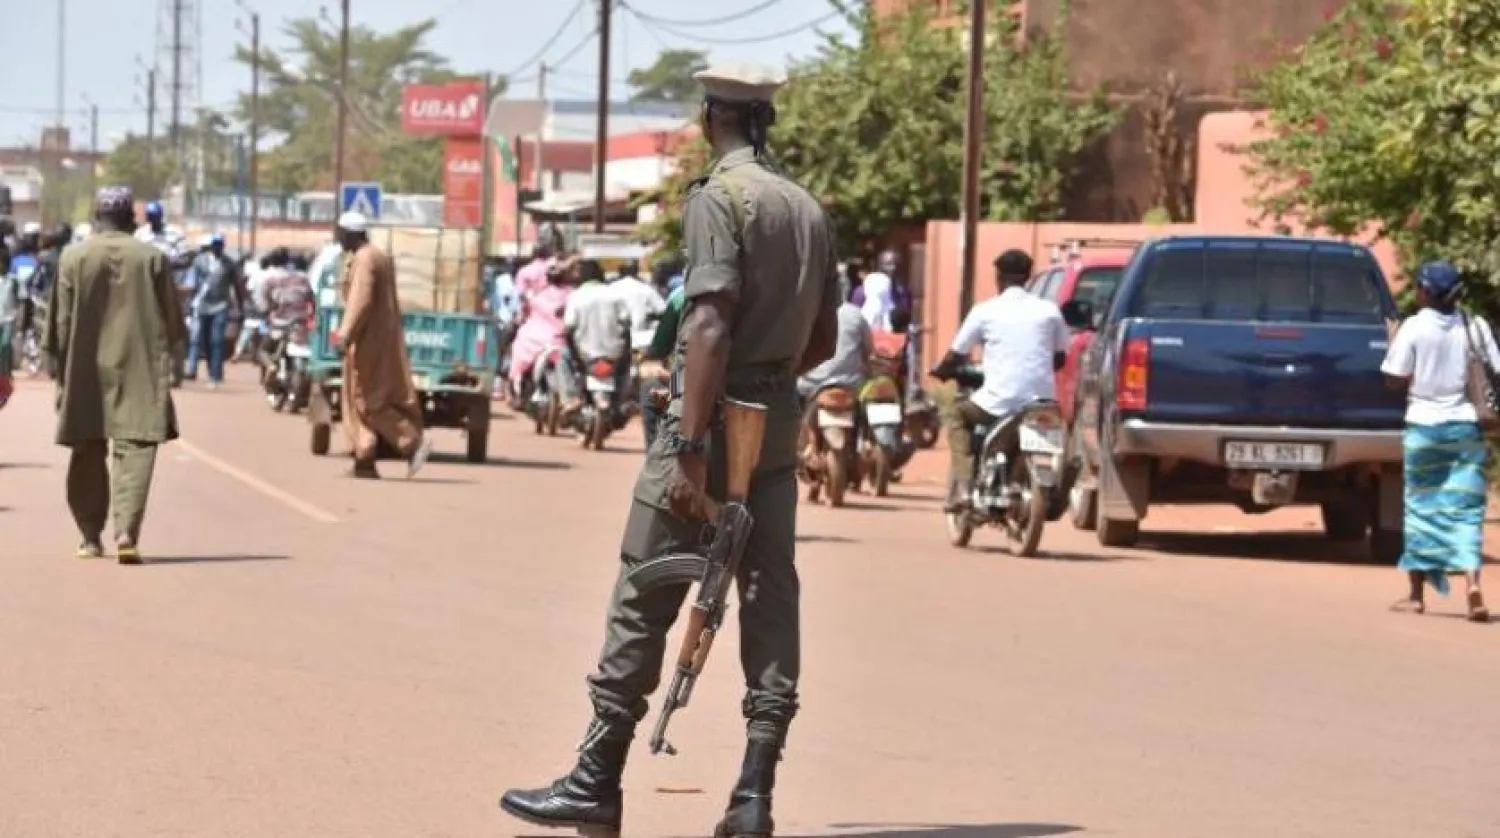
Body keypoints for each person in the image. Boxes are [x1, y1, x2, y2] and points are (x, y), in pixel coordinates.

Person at [501, 60, 840, 838]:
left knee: (643, 591)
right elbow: (820, 337)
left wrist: (689, 445)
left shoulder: (720, 200)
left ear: (709, 118)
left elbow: (710, 324)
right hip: (778, 425)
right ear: (765, 120)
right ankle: (753, 796)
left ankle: (595, 780)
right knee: (769, 597)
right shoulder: (808, 211)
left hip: (711, 420)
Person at [46, 186, 186, 563]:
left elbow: (59, 322)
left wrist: (58, 370)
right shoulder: (152, 258)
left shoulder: (73, 257)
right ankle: (126, 531)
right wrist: (173, 354)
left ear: (96, 217)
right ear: (130, 219)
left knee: (87, 447)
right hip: (140, 364)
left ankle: (91, 537)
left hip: (85, 367)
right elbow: (173, 322)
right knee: (137, 445)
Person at [1381, 261, 1494, 622]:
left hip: (1424, 428)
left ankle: (1416, 595)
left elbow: (1394, 379)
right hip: (1464, 427)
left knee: (1421, 508)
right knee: (1465, 508)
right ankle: (1472, 586)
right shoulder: (1474, 325)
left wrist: (1393, 339)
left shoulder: (1414, 327)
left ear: (1427, 292)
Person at [935, 248, 1070, 511]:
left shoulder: (985, 311)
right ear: (1028, 277)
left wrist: (941, 370)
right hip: (1041, 403)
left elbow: (956, 354)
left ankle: (963, 486)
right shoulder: (1049, 310)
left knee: (956, 414)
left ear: (998, 277)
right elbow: (1060, 356)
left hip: (997, 404)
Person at [332, 212, 431, 480]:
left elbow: (360, 301)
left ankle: (411, 442)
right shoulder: (375, 256)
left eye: (339, 232)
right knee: (358, 399)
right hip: (374, 338)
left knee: (370, 399)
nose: (337, 237)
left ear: (350, 233)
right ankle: (364, 458)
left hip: (368, 340)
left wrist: (345, 334)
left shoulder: (365, 259)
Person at [562, 258, 632, 415]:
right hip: (614, 353)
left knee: (563, 358)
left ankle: (571, 398)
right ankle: (625, 401)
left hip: (584, 354)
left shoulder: (576, 296)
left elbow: (568, 327)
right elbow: (627, 323)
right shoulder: (615, 294)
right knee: (627, 369)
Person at [508, 254, 573, 400]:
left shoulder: (535, 295)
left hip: (532, 340)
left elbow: (522, 310)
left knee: (517, 350)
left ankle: (516, 383)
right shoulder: (572, 294)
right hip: (560, 339)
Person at [183, 233, 242, 388]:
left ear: (223, 246)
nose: (217, 247)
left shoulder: (229, 264)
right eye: (214, 244)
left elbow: (237, 285)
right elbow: (192, 284)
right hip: (200, 305)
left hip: (220, 306)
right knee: (199, 340)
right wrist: (188, 304)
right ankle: (192, 369)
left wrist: (241, 306)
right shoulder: (200, 261)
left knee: (216, 340)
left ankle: (215, 375)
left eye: (219, 245)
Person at [797, 286, 872, 408]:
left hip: (812, 384)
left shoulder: (806, 312)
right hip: (850, 383)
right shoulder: (855, 313)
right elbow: (869, 350)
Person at [638, 285, 686, 448]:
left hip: (687, 379)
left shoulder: (682, 297)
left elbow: (659, 348)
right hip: (757, 379)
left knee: (650, 391)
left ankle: (656, 454)